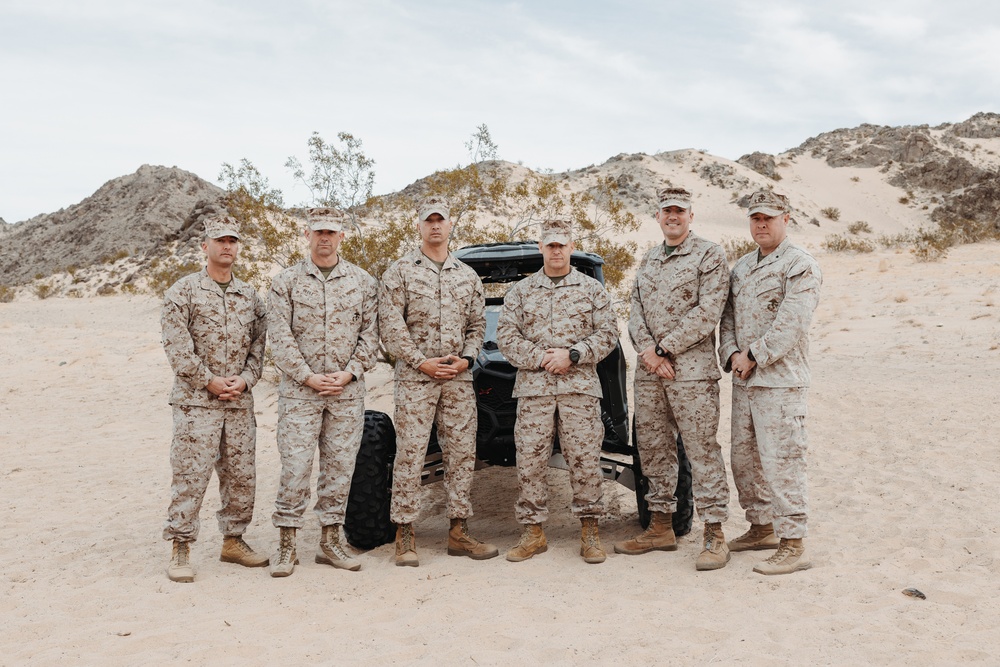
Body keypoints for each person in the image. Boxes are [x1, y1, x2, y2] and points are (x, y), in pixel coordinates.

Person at [614, 187, 732, 570]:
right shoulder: (648, 259)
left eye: (680, 210)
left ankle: (714, 533)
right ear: (658, 215)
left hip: (691, 374)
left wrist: (664, 350)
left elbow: (709, 309)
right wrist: (649, 353)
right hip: (650, 375)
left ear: (691, 216)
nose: (673, 216)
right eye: (667, 210)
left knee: (701, 452)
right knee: (653, 450)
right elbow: (635, 310)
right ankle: (661, 527)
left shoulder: (709, 255)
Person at [379, 196, 497, 567]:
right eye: (428, 220)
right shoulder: (399, 272)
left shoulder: (467, 276)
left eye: (440, 220)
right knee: (411, 453)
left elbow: (478, 325)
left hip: (458, 379)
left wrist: (465, 357)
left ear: (449, 226)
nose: (434, 226)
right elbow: (390, 326)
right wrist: (421, 362)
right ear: (419, 226)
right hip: (416, 379)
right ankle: (405, 533)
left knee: (462, 454)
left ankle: (459, 530)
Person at [496, 219, 619, 564]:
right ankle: (533, 532)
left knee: (584, 459)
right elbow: (506, 336)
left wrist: (573, 355)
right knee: (530, 460)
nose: (556, 250)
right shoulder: (521, 292)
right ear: (541, 247)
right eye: (549, 245)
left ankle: (590, 530)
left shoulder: (591, 290)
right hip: (534, 390)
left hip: (579, 389)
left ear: (571, 246)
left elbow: (609, 332)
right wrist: (539, 357)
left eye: (561, 245)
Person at [267, 207, 380, 577]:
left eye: (331, 232)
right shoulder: (285, 282)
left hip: (346, 394)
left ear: (341, 236)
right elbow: (279, 338)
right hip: (301, 394)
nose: (325, 238)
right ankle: (287, 545)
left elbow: (371, 335)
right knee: (296, 467)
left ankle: (331, 541)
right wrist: (306, 376)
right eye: (319, 232)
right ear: (307, 235)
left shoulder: (363, 282)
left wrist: (349, 373)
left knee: (340, 469)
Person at [160, 214, 268, 583]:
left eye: (232, 241)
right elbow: (177, 348)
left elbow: (259, 346)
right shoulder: (183, 291)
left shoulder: (250, 296)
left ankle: (233, 541)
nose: (227, 247)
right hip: (196, 403)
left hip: (238, 402)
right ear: (204, 246)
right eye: (220, 240)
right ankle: (181, 547)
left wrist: (246, 379)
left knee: (241, 476)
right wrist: (208, 381)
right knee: (190, 475)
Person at [719, 189, 822, 575]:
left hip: (781, 383)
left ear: (786, 220)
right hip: (744, 382)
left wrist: (752, 356)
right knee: (744, 460)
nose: (761, 224)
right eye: (755, 218)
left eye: (769, 218)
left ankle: (793, 542)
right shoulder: (742, 268)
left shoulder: (800, 265)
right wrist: (731, 354)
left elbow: (792, 324)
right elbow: (727, 319)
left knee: (783, 461)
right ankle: (761, 527)